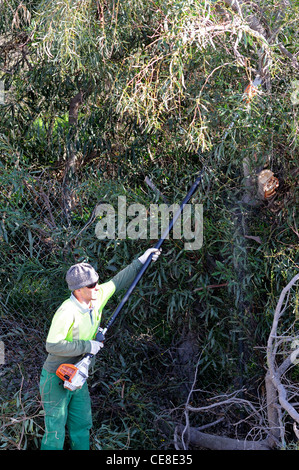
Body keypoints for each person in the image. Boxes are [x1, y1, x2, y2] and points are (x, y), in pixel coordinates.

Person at [39, 247, 161, 450]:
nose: (97, 287)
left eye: (97, 282)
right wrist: (89, 345)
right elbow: (52, 345)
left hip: (78, 375)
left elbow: (119, 281)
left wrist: (143, 259)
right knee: (55, 432)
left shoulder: (96, 297)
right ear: (78, 290)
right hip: (56, 377)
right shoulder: (66, 311)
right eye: (92, 285)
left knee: (81, 426)